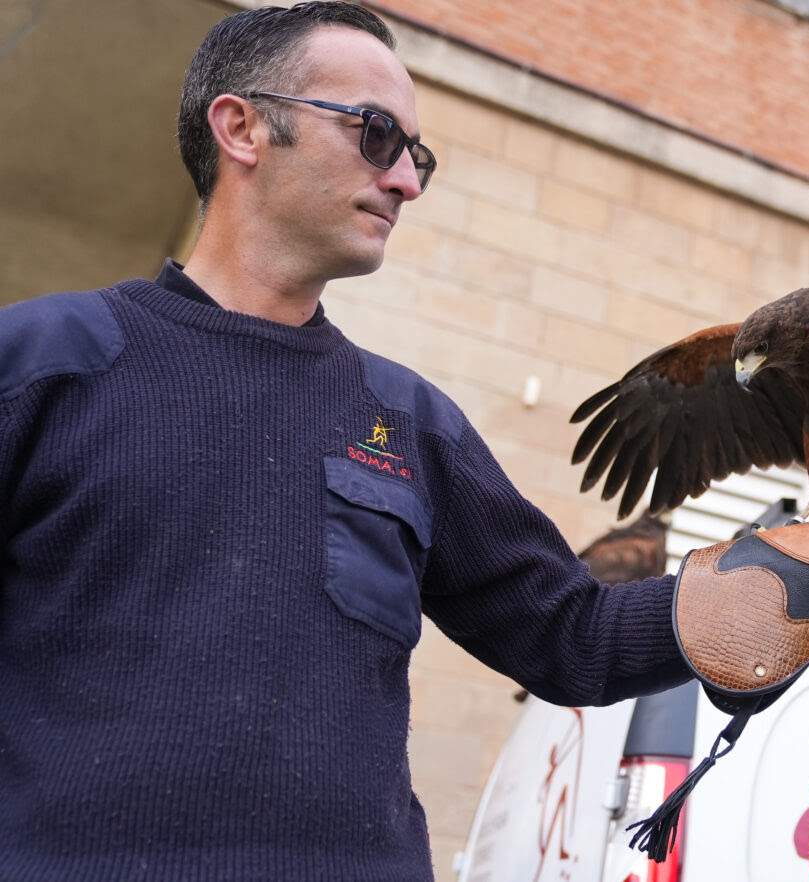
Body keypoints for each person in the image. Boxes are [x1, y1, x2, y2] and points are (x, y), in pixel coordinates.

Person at [0, 4, 692, 879]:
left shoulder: (410, 421)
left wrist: (804, 576)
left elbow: (574, 636)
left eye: (418, 155)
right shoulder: (38, 367)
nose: (405, 179)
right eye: (376, 135)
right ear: (242, 126)